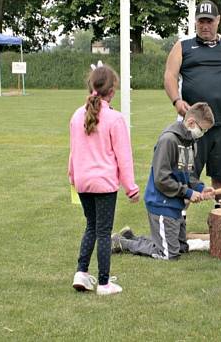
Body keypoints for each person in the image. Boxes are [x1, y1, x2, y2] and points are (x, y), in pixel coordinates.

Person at [163, 0, 221, 200]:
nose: (205, 26)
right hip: (192, 127)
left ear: (218, 21)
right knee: (186, 177)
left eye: (209, 21)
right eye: (201, 21)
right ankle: (179, 226)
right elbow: (169, 76)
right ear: (195, 22)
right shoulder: (183, 46)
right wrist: (177, 101)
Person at [69, 64, 140, 296]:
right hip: (104, 184)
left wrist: (72, 176)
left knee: (91, 226)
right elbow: (124, 157)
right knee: (103, 231)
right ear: (112, 90)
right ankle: (103, 282)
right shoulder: (114, 119)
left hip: (82, 182)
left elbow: (74, 151)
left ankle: (81, 272)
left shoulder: (77, 115)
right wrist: (130, 187)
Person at [111, 103, 215, 260]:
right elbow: (161, 178)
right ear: (191, 122)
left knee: (181, 248)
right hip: (161, 204)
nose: (203, 133)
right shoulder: (169, 140)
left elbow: (189, 175)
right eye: (203, 129)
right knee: (168, 254)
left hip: (176, 205)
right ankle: (121, 243)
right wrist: (187, 192)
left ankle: (130, 237)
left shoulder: (191, 142)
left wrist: (200, 188)